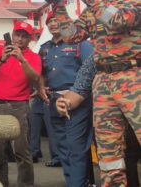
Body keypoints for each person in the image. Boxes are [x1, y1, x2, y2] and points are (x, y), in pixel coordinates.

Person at [43, 0, 140, 186]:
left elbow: (120, 20)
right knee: (109, 155)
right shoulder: (93, 7)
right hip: (103, 82)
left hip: (134, 77)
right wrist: (57, 6)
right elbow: (71, 35)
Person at [56, 56, 140, 187]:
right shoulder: (98, 56)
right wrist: (65, 102)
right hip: (111, 128)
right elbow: (79, 89)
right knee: (116, 165)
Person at [38, 11, 94, 186]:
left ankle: (79, 183)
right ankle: (73, 182)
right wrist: (41, 87)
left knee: (76, 147)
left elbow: (91, 69)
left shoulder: (80, 43)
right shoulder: (45, 48)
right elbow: (42, 72)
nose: (53, 24)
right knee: (61, 147)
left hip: (76, 101)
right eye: (50, 21)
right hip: (53, 100)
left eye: (57, 21)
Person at [0, 21, 41, 187]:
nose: (20, 39)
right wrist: (3, 58)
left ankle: (25, 184)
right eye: (17, 34)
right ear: (12, 34)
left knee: (21, 150)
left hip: (19, 106)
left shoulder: (33, 56)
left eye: (24, 36)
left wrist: (22, 60)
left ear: (30, 39)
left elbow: (35, 78)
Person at [29, 84, 59, 165]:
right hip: (37, 100)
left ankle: (56, 157)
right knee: (33, 129)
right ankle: (34, 153)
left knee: (51, 130)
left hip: (49, 97)